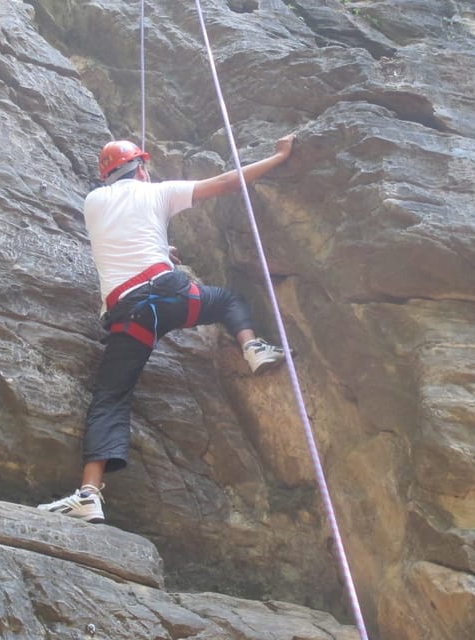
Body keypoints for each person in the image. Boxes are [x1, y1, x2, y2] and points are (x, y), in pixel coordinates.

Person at [38, 133, 295, 523]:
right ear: (140, 167)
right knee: (227, 301)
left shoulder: (93, 203)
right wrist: (278, 157)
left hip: (130, 316)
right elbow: (226, 183)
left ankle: (89, 494)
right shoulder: (156, 192)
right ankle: (253, 347)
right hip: (171, 296)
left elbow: (125, 239)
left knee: (110, 398)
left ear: (107, 176)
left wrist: (160, 247)